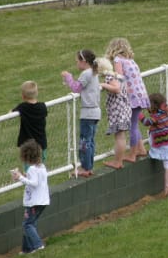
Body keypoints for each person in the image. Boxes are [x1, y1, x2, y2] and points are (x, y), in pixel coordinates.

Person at [105, 37, 150, 163]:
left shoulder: (118, 60)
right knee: (134, 123)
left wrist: (108, 78)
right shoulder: (131, 60)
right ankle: (140, 149)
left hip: (132, 96)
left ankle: (132, 154)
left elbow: (119, 77)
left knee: (132, 125)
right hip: (141, 94)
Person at [61, 49, 101, 177]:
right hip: (95, 112)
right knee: (90, 141)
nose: (76, 64)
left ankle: (85, 167)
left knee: (85, 142)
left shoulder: (86, 73)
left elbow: (76, 88)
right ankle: (88, 166)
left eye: (77, 61)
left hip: (88, 113)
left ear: (84, 62)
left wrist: (68, 77)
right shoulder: (94, 72)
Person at [11, 139, 50, 254]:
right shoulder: (41, 167)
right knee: (30, 224)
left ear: (26, 156)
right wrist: (22, 176)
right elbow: (34, 180)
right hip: (42, 201)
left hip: (34, 202)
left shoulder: (32, 169)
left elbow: (34, 183)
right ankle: (27, 248)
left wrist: (20, 178)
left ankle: (38, 246)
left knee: (27, 225)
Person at [96, 57, 132, 170]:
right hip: (125, 108)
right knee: (121, 136)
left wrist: (103, 85)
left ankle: (118, 161)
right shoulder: (117, 75)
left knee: (119, 136)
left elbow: (116, 89)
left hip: (119, 110)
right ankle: (118, 160)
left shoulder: (109, 77)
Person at [139, 93, 168, 195]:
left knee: (149, 131)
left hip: (162, 143)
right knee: (167, 164)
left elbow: (146, 122)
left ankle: (151, 150)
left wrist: (139, 113)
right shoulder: (164, 113)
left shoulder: (156, 117)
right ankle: (167, 185)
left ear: (153, 106)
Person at [12, 81, 48, 172]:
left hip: (28, 147)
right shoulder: (42, 107)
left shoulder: (23, 108)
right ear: (37, 93)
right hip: (41, 144)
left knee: (30, 172)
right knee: (40, 169)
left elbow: (11, 113)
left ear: (23, 96)